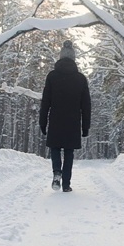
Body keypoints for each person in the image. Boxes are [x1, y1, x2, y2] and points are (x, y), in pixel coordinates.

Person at [39, 40, 91, 192]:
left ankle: (56, 172)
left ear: (60, 58)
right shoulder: (81, 79)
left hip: (55, 120)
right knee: (69, 152)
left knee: (55, 148)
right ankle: (66, 184)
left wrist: (42, 122)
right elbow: (86, 105)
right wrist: (85, 126)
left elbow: (45, 101)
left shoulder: (52, 76)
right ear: (74, 59)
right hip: (72, 122)